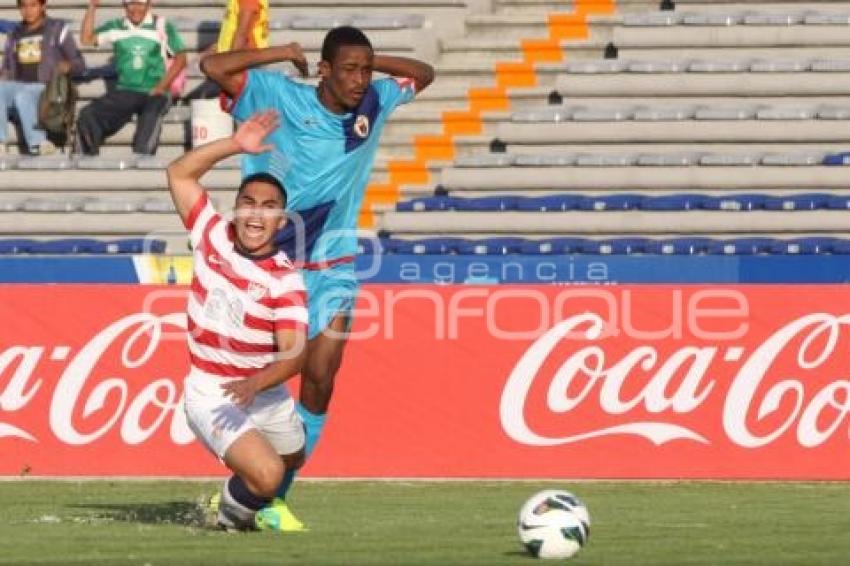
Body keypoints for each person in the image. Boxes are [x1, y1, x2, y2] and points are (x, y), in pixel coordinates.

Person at [202, 25, 434, 528]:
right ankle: (249, 476)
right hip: (267, 266)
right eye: (348, 69)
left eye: (365, 69)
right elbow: (213, 68)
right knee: (260, 382)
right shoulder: (276, 93)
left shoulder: (373, 103)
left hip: (332, 264)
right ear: (323, 69)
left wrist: (372, 64)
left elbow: (423, 73)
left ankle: (276, 497)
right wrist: (283, 52)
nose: (359, 79)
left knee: (322, 372)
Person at [168, 109, 310, 532]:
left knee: (293, 458)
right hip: (211, 388)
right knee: (266, 478)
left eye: (268, 208)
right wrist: (234, 145)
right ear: (235, 209)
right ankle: (229, 519)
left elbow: (294, 354)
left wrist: (256, 384)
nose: (255, 215)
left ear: (281, 221)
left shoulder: (285, 280)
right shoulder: (212, 234)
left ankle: (237, 495)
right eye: (248, 203)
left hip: (260, 389)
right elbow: (178, 173)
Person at [77, 0, 187, 155]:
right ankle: (87, 159)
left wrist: (162, 86)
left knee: (149, 117)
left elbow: (181, 59)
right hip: (126, 90)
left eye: (140, 4)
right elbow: (86, 39)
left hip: (155, 91)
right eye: (131, 4)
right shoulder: (116, 26)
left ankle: (144, 161)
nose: (135, 9)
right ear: (124, 6)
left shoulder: (161, 25)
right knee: (88, 114)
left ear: (149, 5)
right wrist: (92, 7)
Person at [0, 0, 85, 155]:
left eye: (33, 5)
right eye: (24, 6)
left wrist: (68, 65)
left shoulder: (57, 28)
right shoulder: (15, 33)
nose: (28, 10)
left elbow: (79, 63)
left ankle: (38, 143)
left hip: (47, 88)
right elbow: (6, 67)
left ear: (43, 6)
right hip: (19, 84)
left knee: (23, 95)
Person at [189, 0, 269, 99]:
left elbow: (242, 33)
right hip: (238, 59)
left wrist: (230, 63)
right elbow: (232, 31)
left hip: (244, 61)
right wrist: (217, 48)